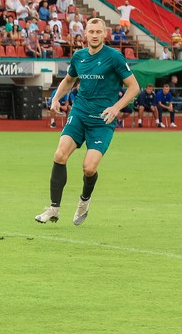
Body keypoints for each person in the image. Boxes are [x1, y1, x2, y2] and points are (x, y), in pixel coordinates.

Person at [35, 17, 140, 226]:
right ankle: (53, 208)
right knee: (59, 154)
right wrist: (56, 98)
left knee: (89, 168)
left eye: (97, 32)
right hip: (80, 113)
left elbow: (134, 87)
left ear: (104, 34)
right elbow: (68, 81)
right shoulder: (79, 57)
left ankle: (84, 201)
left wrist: (116, 107)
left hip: (102, 120)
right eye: (90, 31)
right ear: (85, 33)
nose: (94, 35)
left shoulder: (114, 57)